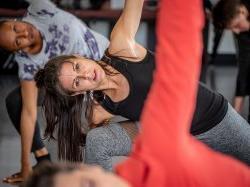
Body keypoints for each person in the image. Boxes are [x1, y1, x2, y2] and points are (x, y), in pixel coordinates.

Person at [22, 0, 250, 186]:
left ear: (79, 56)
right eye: (77, 83)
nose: (85, 76)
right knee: (97, 140)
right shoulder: (99, 108)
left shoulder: (121, 47)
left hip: (215, 120)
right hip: (174, 140)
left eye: (77, 68)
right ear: (76, 93)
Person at [0, 0, 109, 183]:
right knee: (16, 101)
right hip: (74, 83)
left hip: (103, 64)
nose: (24, 32)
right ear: (20, 49)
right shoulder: (27, 62)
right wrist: (25, 164)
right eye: (19, 40)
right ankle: (42, 161)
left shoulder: (39, 10)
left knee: (94, 121)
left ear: (13, 19)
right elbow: (29, 112)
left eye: (15, 27)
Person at [213, 0, 250, 122]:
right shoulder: (243, 33)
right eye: (232, 29)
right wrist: (236, 113)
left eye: (237, 25)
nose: (237, 32)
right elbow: (244, 67)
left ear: (242, 11)